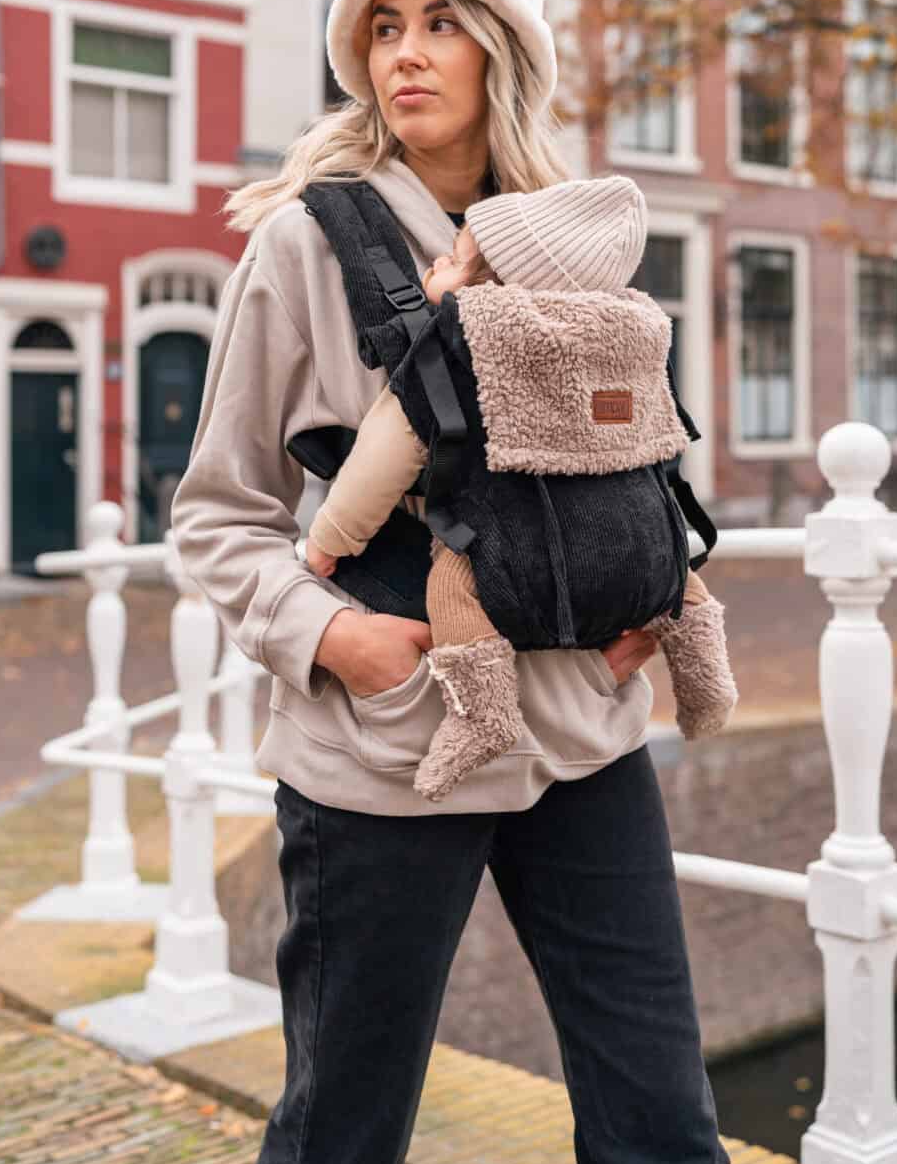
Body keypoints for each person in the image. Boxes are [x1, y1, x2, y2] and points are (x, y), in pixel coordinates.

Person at [172, 0, 739, 1164]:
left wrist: (635, 604)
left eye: (440, 23)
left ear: (502, 51)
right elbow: (214, 516)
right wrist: (336, 639)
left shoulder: (570, 239)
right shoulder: (302, 246)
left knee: (663, 1125)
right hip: (385, 750)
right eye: (382, 27)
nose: (404, 54)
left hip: (583, 741)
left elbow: (622, 459)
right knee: (340, 1138)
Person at [303, 175, 738, 803]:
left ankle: (484, 715)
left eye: (455, 259)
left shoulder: (463, 346)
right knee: (677, 575)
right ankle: (707, 679)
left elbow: (385, 455)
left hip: (522, 555)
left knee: (451, 583)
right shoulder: (631, 337)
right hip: (636, 538)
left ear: (491, 286)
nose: (437, 263)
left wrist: (329, 541)